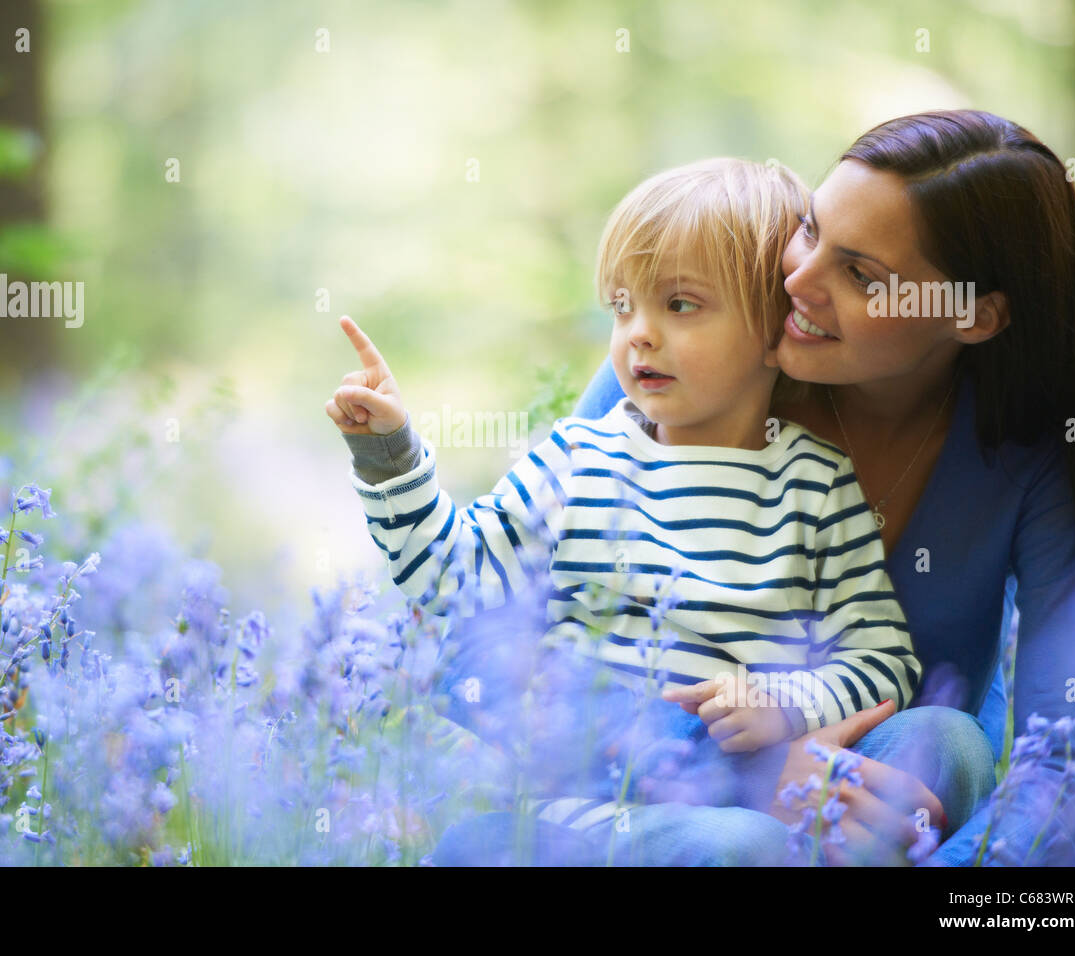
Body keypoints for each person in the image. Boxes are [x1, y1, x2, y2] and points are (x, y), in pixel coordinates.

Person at [326, 158, 926, 862]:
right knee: (487, 845)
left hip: (732, 808)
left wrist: (785, 700)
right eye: (622, 306)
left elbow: (884, 658)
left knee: (762, 833)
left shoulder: (814, 483)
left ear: (776, 328)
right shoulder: (578, 459)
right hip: (580, 809)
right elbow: (455, 578)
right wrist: (390, 454)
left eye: (680, 305)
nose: (638, 332)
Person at [565, 109, 1075, 865]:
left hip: (888, 796)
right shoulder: (693, 365)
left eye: (860, 275)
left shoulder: (1033, 453)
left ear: (974, 316)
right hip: (651, 784)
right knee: (742, 842)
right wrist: (752, 769)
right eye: (808, 228)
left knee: (944, 737)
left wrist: (961, 880)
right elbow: (506, 638)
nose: (795, 281)